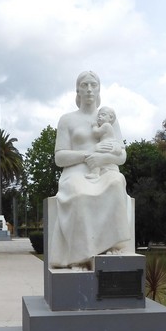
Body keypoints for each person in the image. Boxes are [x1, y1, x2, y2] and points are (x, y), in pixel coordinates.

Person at [49, 71, 131, 268]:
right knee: (78, 193)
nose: (89, 89)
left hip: (104, 169)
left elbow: (121, 155)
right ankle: (80, 256)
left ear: (99, 89)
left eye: (93, 85)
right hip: (75, 171)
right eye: (84, 85)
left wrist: (101, 158)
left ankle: (109, 246)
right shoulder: (67, 120)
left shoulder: (109, 117)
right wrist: (88, 154)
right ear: (77, 90)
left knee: (116, 182)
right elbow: (59, 157)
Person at [85, 106, 119, 179]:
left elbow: (96, 133)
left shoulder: (106, 125)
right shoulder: (108, 126)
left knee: (94, 156)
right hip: (111, 144)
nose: (100, 117)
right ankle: (105, 169)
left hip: (107, 144)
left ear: (111, 118)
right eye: (99, 115)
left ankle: (95, 173)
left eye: (103, 115)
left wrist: (94, 126)